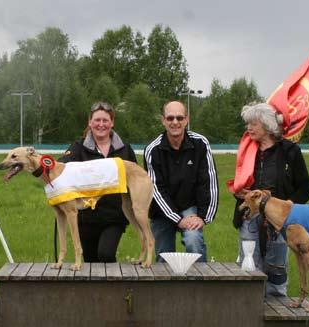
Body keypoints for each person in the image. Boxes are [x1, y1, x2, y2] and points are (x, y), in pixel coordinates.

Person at [232, 103, 309, 296]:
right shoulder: (247, 150)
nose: (248, 128)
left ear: (267, 125)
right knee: (249, 268)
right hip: (249, 218)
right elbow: (239, 183)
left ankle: (278, 313)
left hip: (279, 221)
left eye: (253, 124)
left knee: (276, 270)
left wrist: (289, 205)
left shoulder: (290, 151)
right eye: (247, 124)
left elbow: (305, 188)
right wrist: (239, 192)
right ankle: (249, 308)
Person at [58, 101, 137, 263]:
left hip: (114, 216)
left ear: (112, 123)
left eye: (105, 120)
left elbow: (134, 179)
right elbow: (60, 168)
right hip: (86, 217)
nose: (101, 125)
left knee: (106, 255)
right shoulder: (78, 147)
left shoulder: (125, 149)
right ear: (90, 122)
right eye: (97, 120)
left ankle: (114, 288)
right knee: (90, 262)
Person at [144, 100, 218, 263]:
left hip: (189, 208)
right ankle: (166, 289)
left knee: (194, 241)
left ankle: (200, 285)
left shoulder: (201, 143)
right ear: (163, 120)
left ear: (187, 119)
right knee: (164, 259)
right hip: (162, 212)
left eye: (179, 118)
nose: (175, 122)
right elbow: (156, 190)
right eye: (170, 118)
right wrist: (177, 219)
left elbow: (209, 183)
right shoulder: (152, 149)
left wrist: (203, 217)